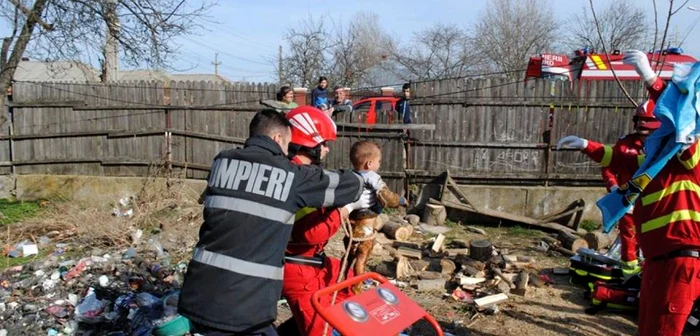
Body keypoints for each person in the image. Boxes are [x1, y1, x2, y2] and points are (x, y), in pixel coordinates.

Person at [178, 109, 373, 336]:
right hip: (244, 307)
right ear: (278, 138)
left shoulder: (222, 162)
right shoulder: (291, 176)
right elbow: (346, 188)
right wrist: (357, 193)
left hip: (199, 294)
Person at [281, 107, 382, 336]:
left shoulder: (302, 171)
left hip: (309, 260)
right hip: (296, 266)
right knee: (320, 328)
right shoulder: (298, 178)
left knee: (350, 283)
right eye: (324, 143)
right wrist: (345, 209)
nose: (326, 149)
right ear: (310, 143)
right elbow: (310, 234)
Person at [345, 140, 406, 294]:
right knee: (361, 256)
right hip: (366, 222)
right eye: (379, 161)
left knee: (348, 256)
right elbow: (386, 196)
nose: (380, 164)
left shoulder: (350, 176)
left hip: (351, 221)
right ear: (369, 163)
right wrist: (400, 200)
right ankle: (356, 289)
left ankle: (342, 282)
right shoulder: (372, 176)